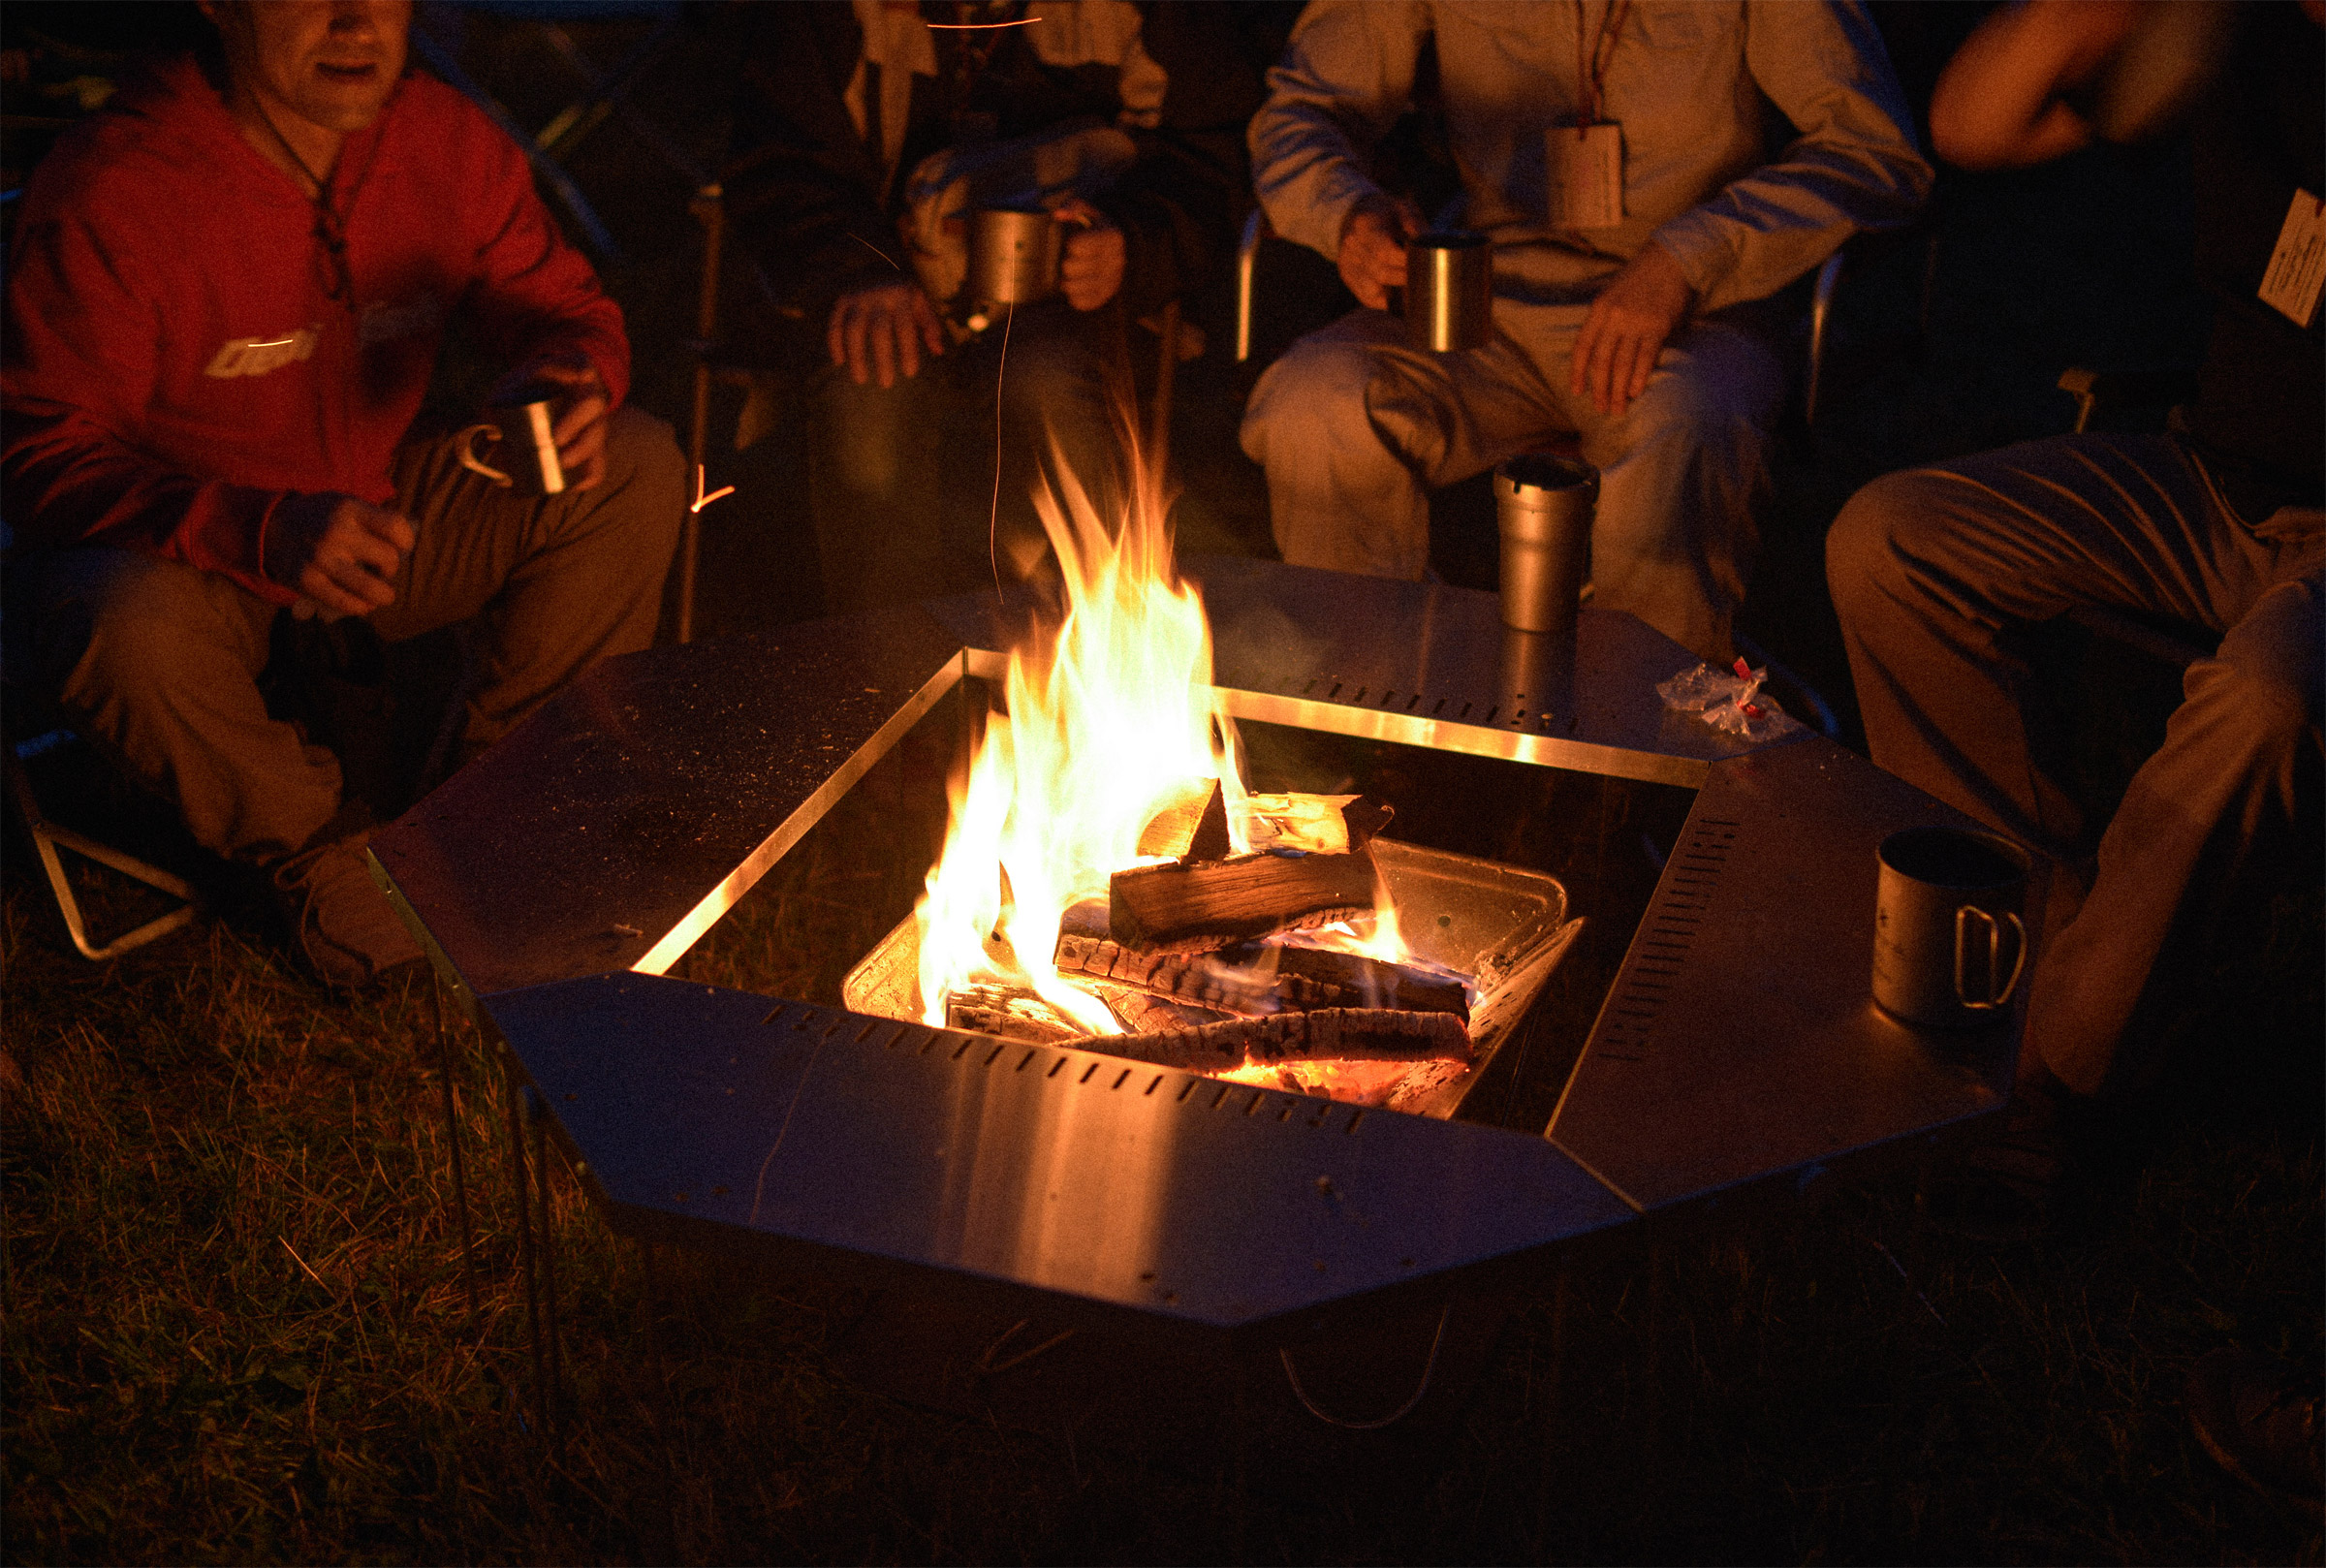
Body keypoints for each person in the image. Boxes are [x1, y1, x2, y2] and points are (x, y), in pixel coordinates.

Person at [1827, 0, 2319, 1503]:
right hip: (2209, 484)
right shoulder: (2238, 38)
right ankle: (2028, 943)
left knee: (2269, 697)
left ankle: (2055, 1080)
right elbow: (1978, 119)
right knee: (1888, 540)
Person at [2, 0, 687, 988]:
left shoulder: (440, 145)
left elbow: (560, 309)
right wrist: (260, 528)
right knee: (116, 619)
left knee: (631, 462)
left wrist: (568, 378)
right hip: (187, 557)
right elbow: (39, 450)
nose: (356, 21)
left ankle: (518, 820)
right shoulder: (121, 188)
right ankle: (333, 862)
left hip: (373, 520)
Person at [1237, 0, 1931, 663]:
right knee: (1316, 402)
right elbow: (1304, 108)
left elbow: (1871, 148)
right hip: (1490, 296)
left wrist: (1691, 257)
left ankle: (1636, 743)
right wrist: (1346, 212)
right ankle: (1377, 721)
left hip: (1697, 305)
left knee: (1682, 424)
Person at [718, 0, 1262, 613]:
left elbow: (1211, 159)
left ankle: (1102, 653)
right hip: (888, 289)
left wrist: (1132, 244)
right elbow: (778, 157)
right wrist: (858, 269)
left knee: (1051, 382)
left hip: (1077, 302)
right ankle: (892, 678)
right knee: (873, 394)